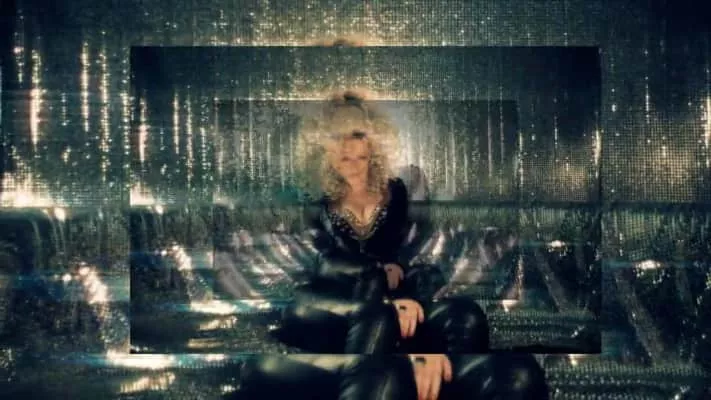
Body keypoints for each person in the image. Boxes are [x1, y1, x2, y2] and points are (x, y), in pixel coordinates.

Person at [272, 89, 489, 354]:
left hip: (402, 291)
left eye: (358, 136)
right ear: (325, 150)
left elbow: (420, 248)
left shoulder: (399, 189)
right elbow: (320, 265)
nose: (350, 150)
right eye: (339, 138)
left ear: (373, 144)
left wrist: (400, 275)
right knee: (372, 315)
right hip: (342, 302)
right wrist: (378, 285)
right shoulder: (316, 202)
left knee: (465, 315)